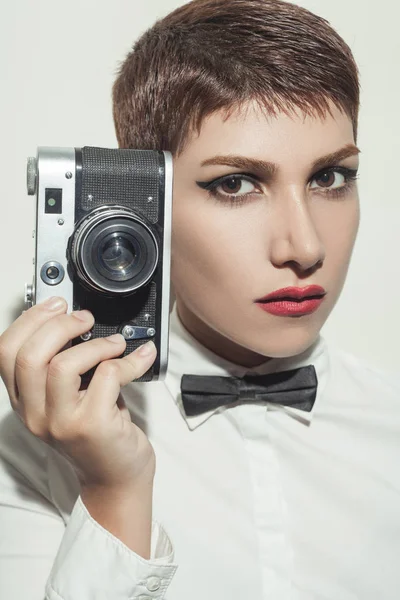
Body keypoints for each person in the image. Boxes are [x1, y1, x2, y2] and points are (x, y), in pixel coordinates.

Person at [0, 0, 399, 598]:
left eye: (329, 177)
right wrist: (113, 490)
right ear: (147, 203)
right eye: (236, 184)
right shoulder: (34, 452)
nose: (305, 245)